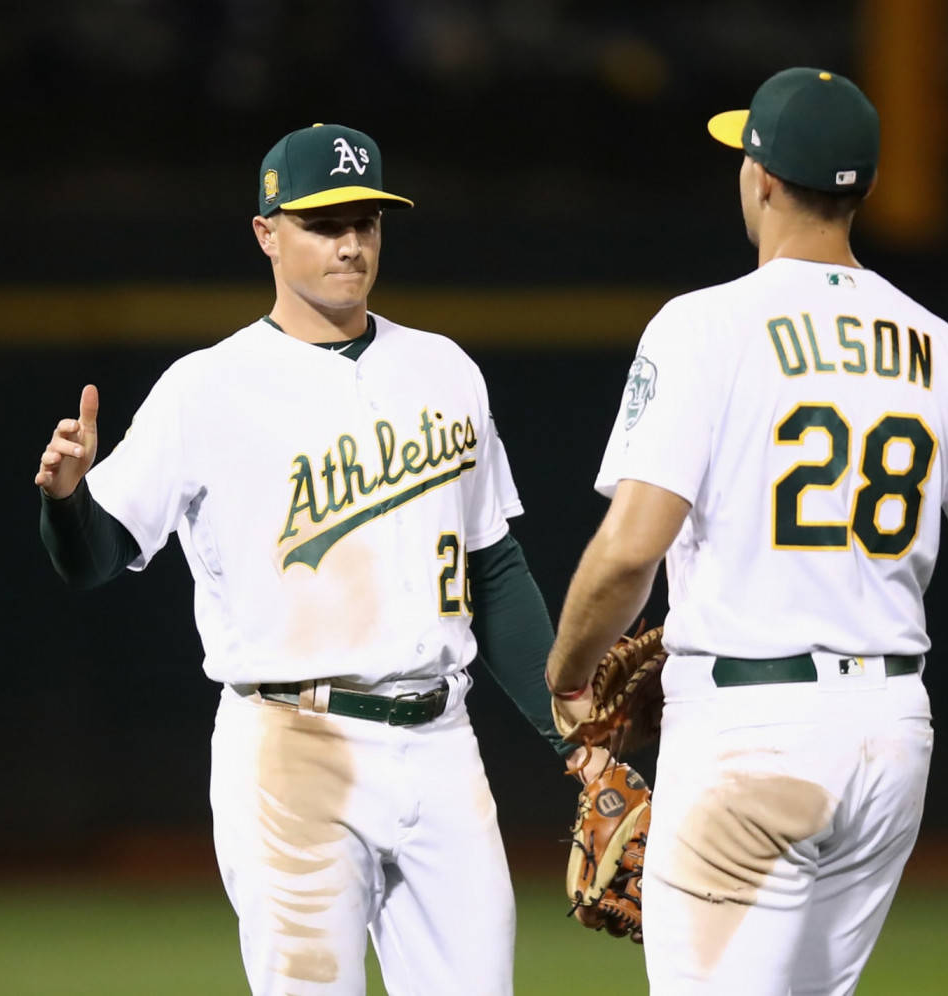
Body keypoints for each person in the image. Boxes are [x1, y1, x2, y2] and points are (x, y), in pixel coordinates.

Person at [34, 122, 591, 996]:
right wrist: (66, 499)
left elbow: (496, 569)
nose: (350, 243)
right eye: (323, 223)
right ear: (266, 232)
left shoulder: (445, 369)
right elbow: (96, 557)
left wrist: (575, 737)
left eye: (366, 221)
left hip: (444, 742)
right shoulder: (205, 387)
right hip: (292, 745)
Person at [545, 68, 948, 994]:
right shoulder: (943, 347)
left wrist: (570, 673)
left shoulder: (704, 326)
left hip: (753, 734)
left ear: (763, 178)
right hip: (891, 739)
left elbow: (630, 547)